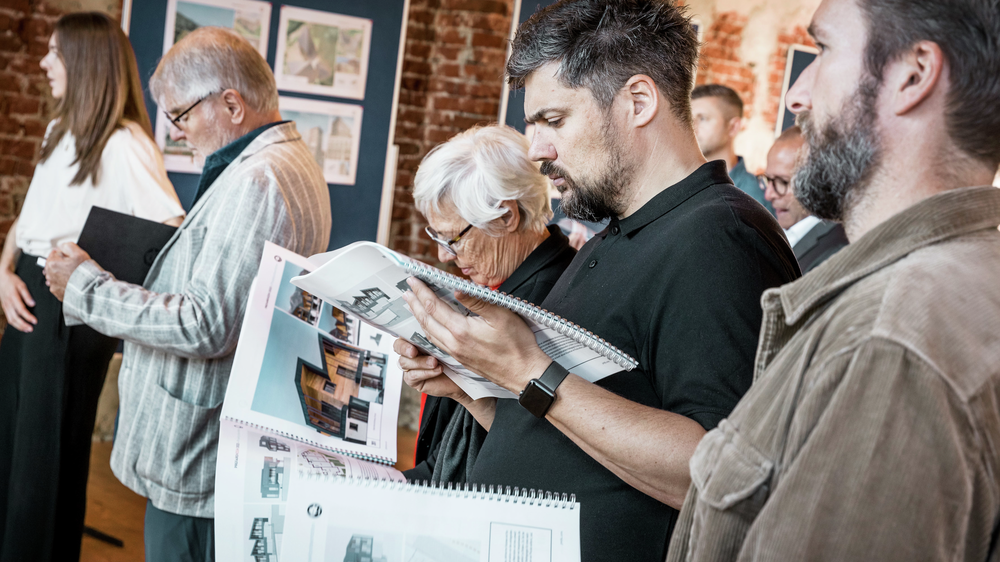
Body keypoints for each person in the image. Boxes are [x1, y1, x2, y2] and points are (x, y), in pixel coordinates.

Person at [393, 1, 800, 560]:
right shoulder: (615, 233)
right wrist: (475, 385)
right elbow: (579, 430)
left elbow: (721, 472)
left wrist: (527, 369)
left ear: (638, 101)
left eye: (554, 121)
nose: (536, 150)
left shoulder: (719, 236)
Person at [667, 0, 1000, 559]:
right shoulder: (965, 281)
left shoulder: (891, 335)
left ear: (913, 75)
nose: (797, 95)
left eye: (822, 50)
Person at [42, 27, 332, 562]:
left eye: (179, 115)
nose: (174, 132)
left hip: (199, 451)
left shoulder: (259, 180)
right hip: (208, 442)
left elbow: (206, 323)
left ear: (230, 103)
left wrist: (85, 288)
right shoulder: (284, 162)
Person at [0, 12, 185, 562]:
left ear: (84, 62)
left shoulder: (125, 143)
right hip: (28, 290)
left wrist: (95, 275)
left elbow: (168, 235)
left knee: (45, 462)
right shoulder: (62, 131)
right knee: (12, 446)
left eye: (54, 52)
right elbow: (28, 220)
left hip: (69, 305)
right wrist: (4, 271)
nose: (43, 62)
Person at [405, 124, 576, 484]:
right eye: (436, 236)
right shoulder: (504, 283)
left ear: (506, 216)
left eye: (452, 238)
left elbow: (539, 455)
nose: (443, 255)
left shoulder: (550, 302)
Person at [760, 126, 847, 272]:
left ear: (821, 180)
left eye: (782, 182)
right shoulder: (771, 234)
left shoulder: (835, 252)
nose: (768, 195)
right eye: (767, 179)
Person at [691, 84, 775, 215]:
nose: (692, 127)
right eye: (690, 119)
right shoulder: (683, 182)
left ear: (733, 127)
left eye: (702, 118)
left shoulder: (752, 198)